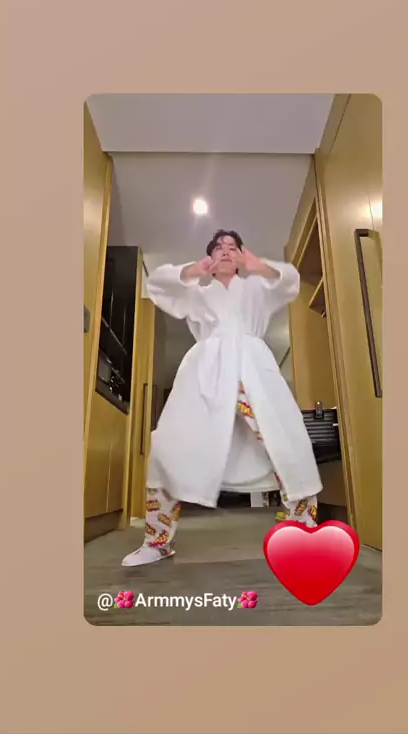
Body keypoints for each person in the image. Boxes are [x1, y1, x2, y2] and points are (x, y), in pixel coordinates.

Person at [122, 229, 323, 567]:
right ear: (210, 258)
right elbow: (158, 284)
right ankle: (157, 542)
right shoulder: (197, 294)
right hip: (206, 371)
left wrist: (259, 266)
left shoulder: (257, 289)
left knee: (285, 441)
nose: (226, 251)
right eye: (218, 247)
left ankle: (303, 532)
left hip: (252, 368)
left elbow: (289, 281)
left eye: (233, 247)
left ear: (242, 257)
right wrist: (193, 270)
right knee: (169, 445)